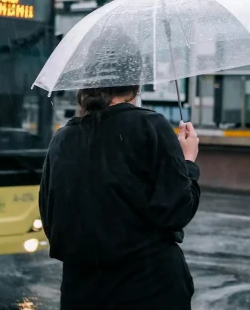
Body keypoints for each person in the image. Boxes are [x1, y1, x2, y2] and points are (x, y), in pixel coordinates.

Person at [38, 40, 201, 309]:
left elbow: (52, 222)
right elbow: (177, 210)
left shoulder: (63, 138)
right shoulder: (151, 126)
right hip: (151, 290)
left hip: (83, 293)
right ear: (135, 83)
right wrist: (188, 161)